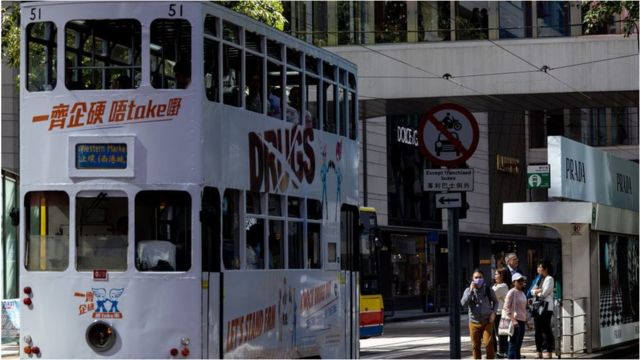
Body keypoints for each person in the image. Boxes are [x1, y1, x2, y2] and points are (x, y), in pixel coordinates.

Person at [461, 269, 499, 359]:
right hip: (474, 322)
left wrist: (493, 313)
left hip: (487, 321)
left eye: (480, 277)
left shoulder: (488, 290)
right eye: (476, 277)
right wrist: (471, 290)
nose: (478, 279)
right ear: (472, 279)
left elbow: (496, 302)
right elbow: (463, 304)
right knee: (475, 346)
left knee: (489, 344)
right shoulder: (468, 290)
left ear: (483, 278)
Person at [531, 261, 555, 359]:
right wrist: (537, 291)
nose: (539, 269)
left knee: (546, 329)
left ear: (546, 269)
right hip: (537, 307)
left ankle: (549, 351)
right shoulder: (539, 279)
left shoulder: (549, 278)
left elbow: (545, 293)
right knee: (537, 330)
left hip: (546, 307)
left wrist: (537, 292)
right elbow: (532, 291)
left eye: (541, 267)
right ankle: (538, 350)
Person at [504, 273, 528, 360]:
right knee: (513, 345)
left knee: (518, 347)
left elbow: (523, 309)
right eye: (519, 280)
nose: (521, 282)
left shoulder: (522, 292)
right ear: (514, 282)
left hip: (522, 322)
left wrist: (527, 323)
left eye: (522, 280)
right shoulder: (511, 292)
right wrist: (513, 320)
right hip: (515, 323)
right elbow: (506, 308)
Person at [492, 268, 510, 359]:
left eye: (496, 274)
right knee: (497, 333)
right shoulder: (496, 285)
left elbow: (492, 295)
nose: (495, 276)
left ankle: (503, 352)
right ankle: (498, 351)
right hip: (496, 312)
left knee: (501, 334)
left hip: (501, 313)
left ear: (502, 276)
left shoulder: (503, 286)